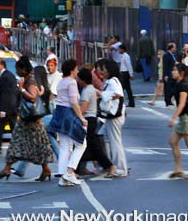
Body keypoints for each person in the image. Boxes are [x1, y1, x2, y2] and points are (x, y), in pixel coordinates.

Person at [0, 56, 54, 182]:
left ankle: (44, 169)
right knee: (25, 143)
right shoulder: (27, 78)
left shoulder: (30, 80)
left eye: (18, 69)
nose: (17, 72)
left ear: (24, 69)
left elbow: (32, 97)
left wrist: (21, 89)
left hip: (31, 120)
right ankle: (8, 167)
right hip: (27, 120)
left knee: (32, 144)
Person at [47, 59, 88, 187]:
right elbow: (73, 102)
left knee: (65, 146)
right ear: (71, 70)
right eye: (76, 69)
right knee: (81, 143)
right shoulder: (71, 82)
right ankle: (70, 171)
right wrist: (81, 118)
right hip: (68, 114)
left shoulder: (61, 82)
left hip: (59, 113)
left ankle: (63, 175)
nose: (77, 71)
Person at [75, 67, 115, 177]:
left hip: (89, 120)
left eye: (79, 79)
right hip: (92, 119)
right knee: (86, 146)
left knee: (92, 147)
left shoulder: (86, 91)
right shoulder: (91, 89)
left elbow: (83, 109)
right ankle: (76, 170)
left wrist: (75, 112)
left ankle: (110, 166)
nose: (77, 81)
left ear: (83, 80)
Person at [167, 63, 188, 180]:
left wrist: (173, 118)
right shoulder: (178, 84)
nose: (173, 72)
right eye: (173, 70)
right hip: (183, 118)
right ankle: (178, 169)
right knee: (173, 141)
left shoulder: (183, 86)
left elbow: (182, 104)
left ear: (181, 73)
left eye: (175, 70)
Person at [95, 58, 128, 177]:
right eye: (99, 68)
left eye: (102, 69)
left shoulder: (113, 82)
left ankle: (120, 168)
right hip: (111, 115)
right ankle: (113, 165)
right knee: (107, 139)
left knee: (115, 141)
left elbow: (118, 94)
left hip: (114, 115)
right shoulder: (110, 81)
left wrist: (101, 94)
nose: (100, 71)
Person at [0, 58, 18, 155]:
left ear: (2, 65)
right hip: (10, 108)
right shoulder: (6, 75)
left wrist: (3, 109)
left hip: (7, 108)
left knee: (0, 127)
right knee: (11, 127)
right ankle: (2, 147)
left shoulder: (6, 77)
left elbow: (6, 94)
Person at [162, 42, 177, 107]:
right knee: (168, 88)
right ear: (171, 48)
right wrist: (166, 75)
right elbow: (165, 66)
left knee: (172, 88)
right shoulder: (166, 55)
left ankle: (170, 100)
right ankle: (167, 101)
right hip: (168, 73)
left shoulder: (173, 55)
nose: (175, 49)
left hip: (172, 74)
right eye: (174, 47)